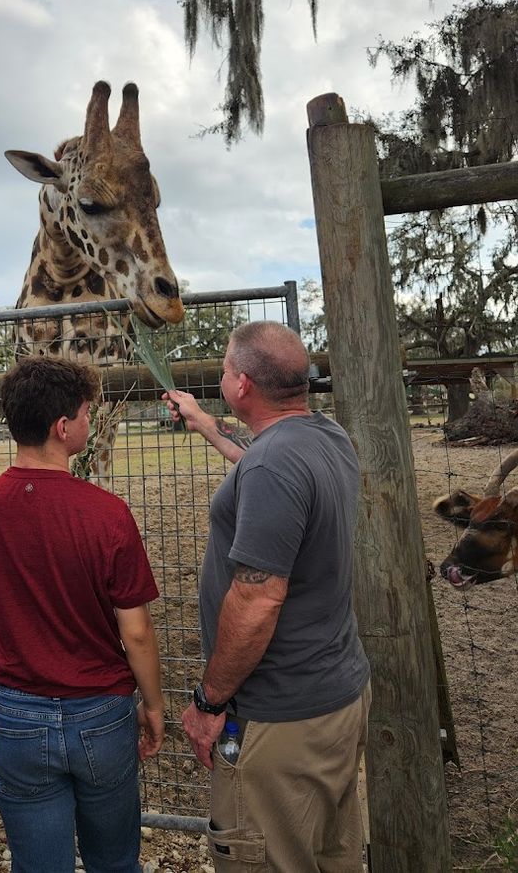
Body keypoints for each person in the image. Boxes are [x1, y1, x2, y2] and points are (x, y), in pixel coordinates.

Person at [164, 321, 371, 873]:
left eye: (227, 368)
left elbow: (257, 602)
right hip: (335, 699)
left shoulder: (273, 465)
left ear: (243, 385)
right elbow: (264, 466)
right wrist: (206, 426)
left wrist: (210, 702)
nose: (223, 375)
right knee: (333, 854)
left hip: (280, 721)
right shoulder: (325, 437)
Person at [0, 356, 165, 873]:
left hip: (19, 711)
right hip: (100, 712)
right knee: (114, 861)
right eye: (87, 413)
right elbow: (135, 633)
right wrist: (155, 705)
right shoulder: (107, 514)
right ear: (63, 427)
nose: (90, 422)